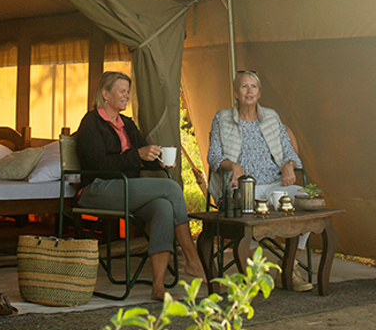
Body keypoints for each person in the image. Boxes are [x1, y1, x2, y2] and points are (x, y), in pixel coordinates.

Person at [76, 71, 205, 301]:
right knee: (172, 188)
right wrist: (137, 154)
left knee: (163, 208)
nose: (127, 95)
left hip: (126, 189)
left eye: (128, 91)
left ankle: (158, 287)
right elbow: (99, 165)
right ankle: (192, 259)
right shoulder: (91, 122)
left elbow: (143, 154)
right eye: (122, 91)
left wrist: (160, 161)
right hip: (97, 189)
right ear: (105, 94)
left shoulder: (127, 124)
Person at [207, 68, 313, 290]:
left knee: (306, 204)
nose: (249, 91)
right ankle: (257, 271)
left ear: (260, 93)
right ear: (236, 93)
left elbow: (290, 153)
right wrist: (233, 165)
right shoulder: (222, 118)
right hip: (242, 187)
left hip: (275, 185)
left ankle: (289, 267)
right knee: (247, 211)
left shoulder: (271, 117)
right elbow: (214, 156)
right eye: (244, 86)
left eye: (253, 87)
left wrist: (288, 165)